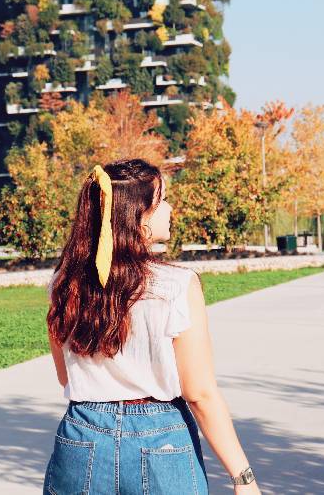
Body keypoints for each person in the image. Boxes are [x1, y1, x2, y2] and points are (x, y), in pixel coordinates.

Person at [43, 159, 260, 495]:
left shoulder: (64, 284)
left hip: (81, 439)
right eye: (162, 201)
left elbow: (64, 376)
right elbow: (199, 393)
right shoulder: (176, 285)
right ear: (139, 218)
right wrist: (242, 478)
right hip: (160, 441)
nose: (170, 208)